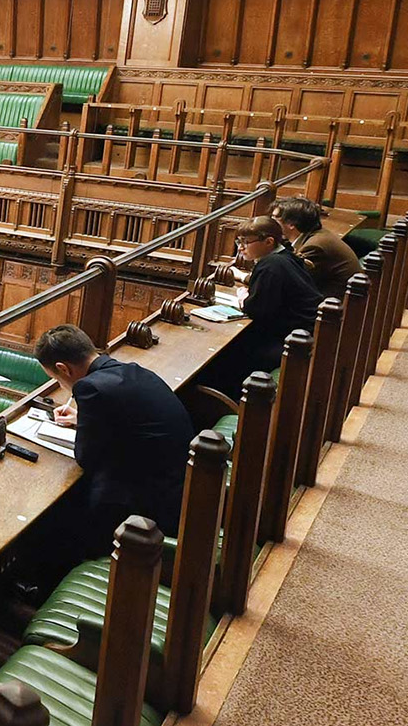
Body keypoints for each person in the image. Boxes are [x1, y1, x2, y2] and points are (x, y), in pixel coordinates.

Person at [37, 324, 195, 545]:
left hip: (153, 509)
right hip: (183, 487)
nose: (59, 384)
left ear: (64, 369)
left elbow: (86, 457)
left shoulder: (89, 388)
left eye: (56, 379)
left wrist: (87, 423)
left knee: (54, 517)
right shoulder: (133, 370)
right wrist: (83, 419)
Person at [204, 215, 325, 396]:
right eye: (239, 241)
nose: (240, 247)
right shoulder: (284, 256)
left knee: (225, 355)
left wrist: (244, 298)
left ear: (268, 242)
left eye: (246, 242)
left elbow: (257, 311)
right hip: (303, 333)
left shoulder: (271, 265)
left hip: (293, 341)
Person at [271, 196, 360, 298]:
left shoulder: (314, 247)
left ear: (291, 224)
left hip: (333, 307)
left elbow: (288, 282)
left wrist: (249, 277)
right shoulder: (315, 234)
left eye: (274, 218)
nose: (270, 222)